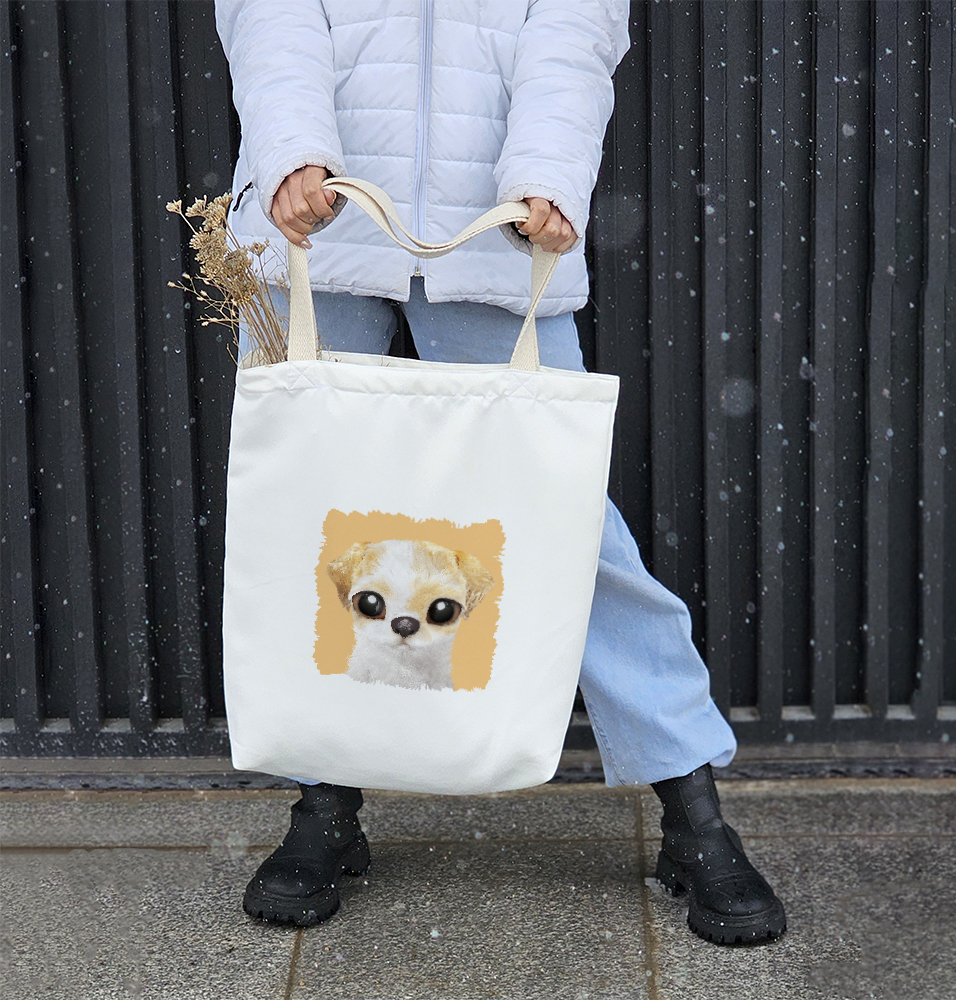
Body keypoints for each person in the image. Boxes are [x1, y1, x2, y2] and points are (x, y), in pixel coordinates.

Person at [215, 0, 786, 946]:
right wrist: (292, 153)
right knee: (311, 530)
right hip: (316, 229)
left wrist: (548, 174)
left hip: (496, 233)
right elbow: (272, 15)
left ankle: (693, 812)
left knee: (569, 531)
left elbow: (573, 27)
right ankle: (323, 802)